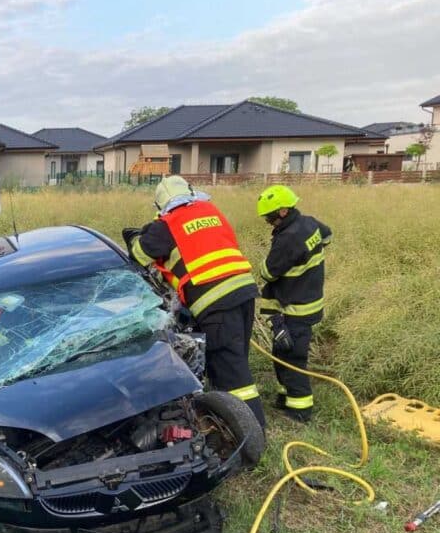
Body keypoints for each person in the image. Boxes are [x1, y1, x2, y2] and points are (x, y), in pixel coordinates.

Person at [124, 175, 266, 427]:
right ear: (189, 192)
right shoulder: (209, 210)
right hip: (244, 292)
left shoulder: (166, 224)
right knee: (236, 360)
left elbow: (137, 255)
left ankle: (251, 437)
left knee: (233, 376)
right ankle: (230, 420)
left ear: (160, 205)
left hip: (215, 303)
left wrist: (141, 235)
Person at [256, 184, 330, 422]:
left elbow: (268, 273)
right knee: (282, 351)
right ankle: (284, 395)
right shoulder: (309, 223)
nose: (268, 221)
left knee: (292, 357)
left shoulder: (288, 238)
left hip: (295, 309)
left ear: (284, 211)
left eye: (270, 216)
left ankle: (300, 409)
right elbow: (328, 235)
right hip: (309, 301)